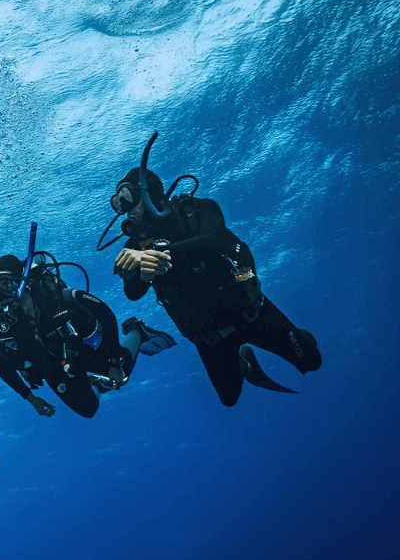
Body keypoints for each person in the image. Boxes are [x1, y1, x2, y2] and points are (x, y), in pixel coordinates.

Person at [104, 132, 322, 406]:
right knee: (229, 398)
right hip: (210, 338)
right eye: (117, 203)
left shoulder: (195, 209)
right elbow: (132, 292)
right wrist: (146, 272)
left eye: (127, 197)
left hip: (252, 314)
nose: (124, 210)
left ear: (148, 191)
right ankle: (248, 366)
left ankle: (298, 337)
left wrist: (159, 254)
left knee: (312, 361)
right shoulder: (135, 245)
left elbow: (216, 240)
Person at [0, 250, 176, 418]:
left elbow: (105, 315)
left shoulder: (62, 298)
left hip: (83, 348)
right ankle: (95, 384)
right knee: (88, 410)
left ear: (22, 280)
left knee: (122, 375)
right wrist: (30, 398)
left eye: (5, 286)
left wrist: (114, 363)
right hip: (52, 364)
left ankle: (137, 330)